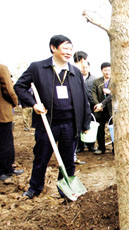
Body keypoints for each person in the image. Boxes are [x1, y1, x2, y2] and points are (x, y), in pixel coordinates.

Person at [14, 35, 91, 199]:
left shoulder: (75, 72)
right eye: (65, 48)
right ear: (53, 48)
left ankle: (65, 191)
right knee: (41, 158)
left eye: (71, 49)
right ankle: (34, 189)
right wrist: (33, 104)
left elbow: (84, 99)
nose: (69, 52)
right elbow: (19, 86)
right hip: (47, 123)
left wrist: (85, 124)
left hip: (70, 124)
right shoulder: (38, 68)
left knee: (68, 160)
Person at [0, 64, 24, 181]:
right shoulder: (1, 68)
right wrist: (15, 102)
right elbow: (9, 90)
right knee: (5, 142)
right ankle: (6, 170)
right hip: (2, 114)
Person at [74, 51, 97, 154]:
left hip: (91, 105)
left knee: (91, 124)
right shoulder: (74, 76)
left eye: (86, 67)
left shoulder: (94, 79)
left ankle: (91, 145)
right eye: (82, 68)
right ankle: (80, 146)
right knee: (78, 125)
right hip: (78, 105)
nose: (84, 69)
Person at [91, 62, 112, 155]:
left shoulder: (115, 81)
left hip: (112, 109)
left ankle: (116, 148)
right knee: (100, 130)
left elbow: (116, 94)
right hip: (100, 109)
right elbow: (93, 94)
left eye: (109, 70)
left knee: (114, 129)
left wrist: (110, 91)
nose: (107, 72)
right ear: (102, 70)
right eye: (105, 70)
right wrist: (97, 104)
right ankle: (101, 147)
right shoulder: (97, 82)